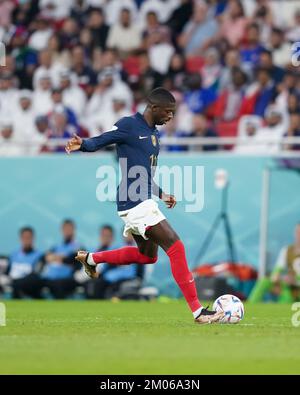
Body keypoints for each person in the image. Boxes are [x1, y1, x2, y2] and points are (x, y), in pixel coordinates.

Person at [65, 87, 224, 324]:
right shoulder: (129, 124)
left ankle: (92, 259)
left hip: (142, 199)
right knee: (176, 247)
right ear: (153, 107)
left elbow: (145, 173)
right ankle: (198, 312)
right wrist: (84, 144)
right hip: (134, 200)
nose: (170, 117)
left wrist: (161, 193)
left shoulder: (153, 133)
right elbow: (104, 139)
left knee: (147, 256)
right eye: (168, 112)